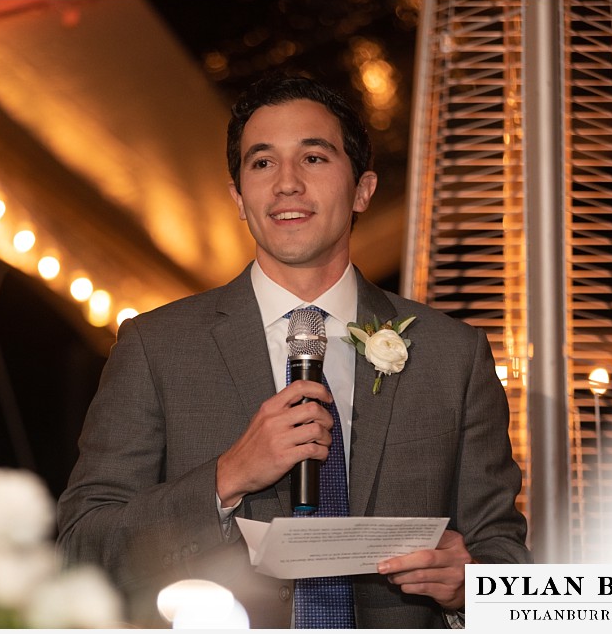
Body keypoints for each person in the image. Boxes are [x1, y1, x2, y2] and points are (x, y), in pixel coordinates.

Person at [56, 74, 530, 628]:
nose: (286, 184)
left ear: (363, 189)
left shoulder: (452, 355)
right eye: (261, 163)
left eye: (313, 158)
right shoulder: (157, 347)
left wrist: (470, 589)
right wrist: (226, 477)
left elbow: (502, 553)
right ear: (238, 197)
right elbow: (82, 549)